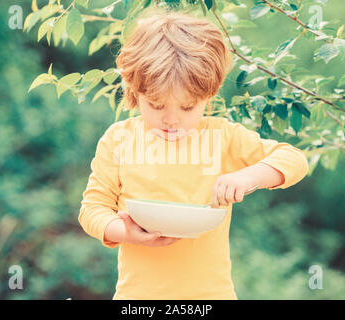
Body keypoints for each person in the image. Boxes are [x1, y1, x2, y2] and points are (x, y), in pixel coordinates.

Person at [78, 8, 309, 300]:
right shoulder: (118, 140)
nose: (171, 120)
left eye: (187, 107)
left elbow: (294, 160)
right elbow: (92, 209)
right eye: (157, 106)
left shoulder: (221, 136)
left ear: (208, 96)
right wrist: (122, 231)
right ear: (134, 93)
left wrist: (249, 176)